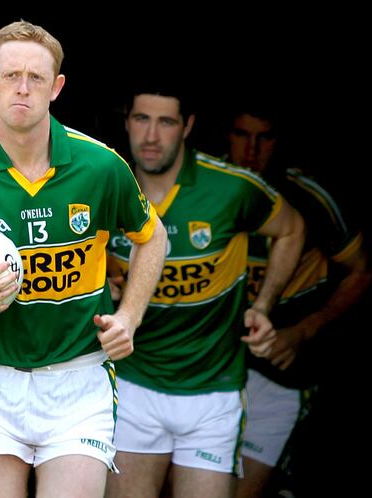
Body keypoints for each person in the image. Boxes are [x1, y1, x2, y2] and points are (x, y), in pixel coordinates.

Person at [0, 21, 167, 498]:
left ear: (56, 87)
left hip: (78, 377)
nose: (22, 88)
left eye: (36, 78)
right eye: (10, 76)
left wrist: (130, 315)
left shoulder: (101, 166)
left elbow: (154, 236)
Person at [104, 79, 305, 498]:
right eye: (142, 119)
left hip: (213, 393)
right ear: (126, 122)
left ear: (188, 126)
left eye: (166, 122)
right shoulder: (105, 186)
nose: (152, 136)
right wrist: (107, 279)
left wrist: (264, 305)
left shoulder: (231, 188)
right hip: (134, 384)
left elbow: (291, 228)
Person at [226, 102, 372, 497]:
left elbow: (363, 271)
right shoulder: (207, 186)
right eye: (242, 135)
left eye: (264, 137)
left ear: (280, 141)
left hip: (283, 371)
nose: (252, 149)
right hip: (214, 367)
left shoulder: (308, 195)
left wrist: (303, 332)